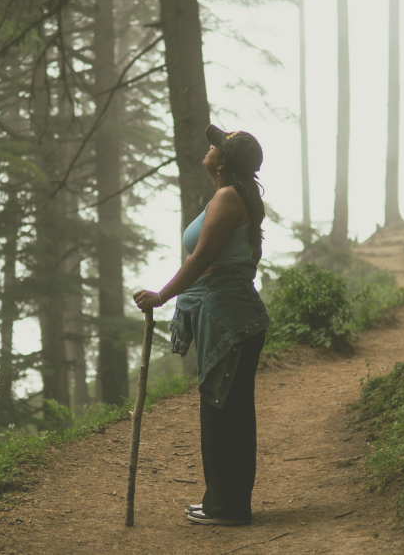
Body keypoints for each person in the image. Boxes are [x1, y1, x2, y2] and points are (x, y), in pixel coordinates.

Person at [133, 124, 271, 526]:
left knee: (226, 411)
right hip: (230, 317)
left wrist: (162, 295)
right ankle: (223, 502)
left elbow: (201, 259)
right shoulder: (227, 195)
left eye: (217, 145)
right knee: (223, 409)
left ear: (224, 162)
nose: (210, 147)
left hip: (231, 321)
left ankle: (229, 508)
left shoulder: (229, 197)